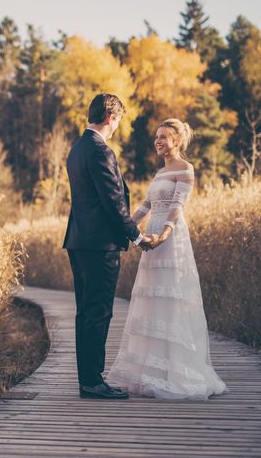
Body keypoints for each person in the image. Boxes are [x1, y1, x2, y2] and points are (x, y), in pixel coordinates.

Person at [106, 119, 227, 400]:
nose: (158, 141)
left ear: (177, 140)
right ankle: (150, 371)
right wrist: (125, 225)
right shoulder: (160, 172)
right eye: (156, 137)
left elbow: (176, 206)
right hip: (151, 235)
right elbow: (147, 206)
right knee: (152, 299)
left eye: (164, 137)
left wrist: (165, 233)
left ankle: (175, 370)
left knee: (170, 296)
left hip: (171, 238)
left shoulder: (185, 169)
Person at [63, 93, 155, 399]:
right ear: (110, 118)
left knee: (85, 312)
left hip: (79, 241)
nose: (117, 128)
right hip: (99, 246)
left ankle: (87, 379)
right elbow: (113, 202)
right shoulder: (100, 151)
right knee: (99, 312)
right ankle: (92, 382)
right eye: (118, 121)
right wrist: (137, 236)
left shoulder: (77, 149)